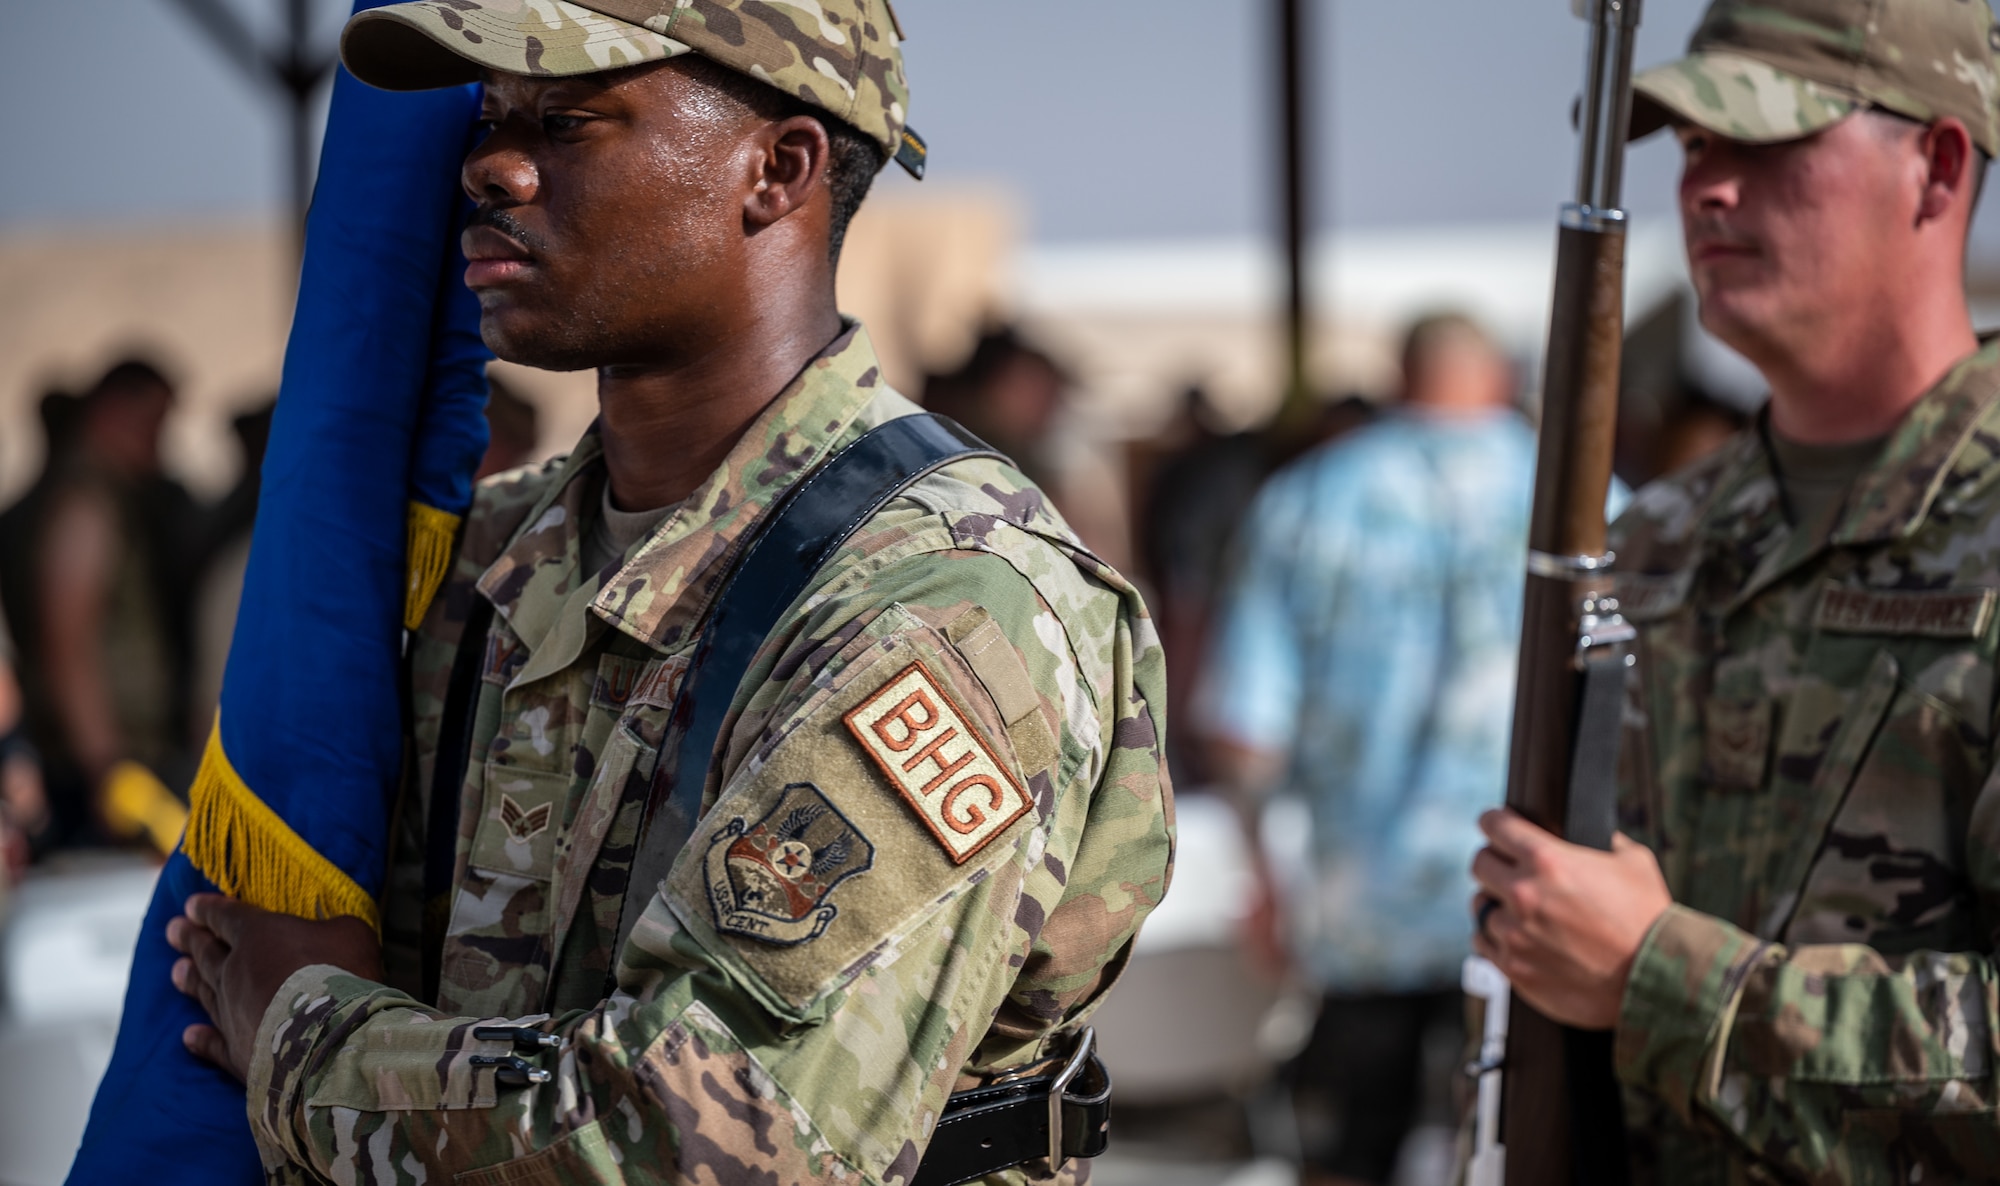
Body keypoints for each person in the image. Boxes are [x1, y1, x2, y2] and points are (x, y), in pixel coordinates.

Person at [162, 3, 1173, 1183]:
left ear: (777, 168)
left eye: (570, 121)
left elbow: (711, 1136)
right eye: (490, 121)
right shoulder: (485, 551)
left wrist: (296, 1032)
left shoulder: (941, 601)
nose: (488, 166)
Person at [1468, 0, 2000, 1180]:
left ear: (1937, 163)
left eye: (1764, 142)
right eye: (1693, 147)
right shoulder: (1656, 539)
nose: (1706, 189)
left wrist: (1662, 977)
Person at [1198, 313, 1536, 1186]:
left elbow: (1244, 721)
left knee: (1352, 1151)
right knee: (1532, 1148)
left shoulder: (1313, 497)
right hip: (1536, 904)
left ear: (1399, 376)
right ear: (1499, 378)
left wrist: (1262, 877)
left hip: (1362, 912)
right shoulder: (1585, 498)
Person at [32, 359, 197, 852]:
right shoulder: (86, 506)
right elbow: (69, 646)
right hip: (107, 772)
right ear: (109, 413)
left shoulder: (113, 499)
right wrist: (108, 771)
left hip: (124, 765)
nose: (158, 440)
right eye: (152, 422)